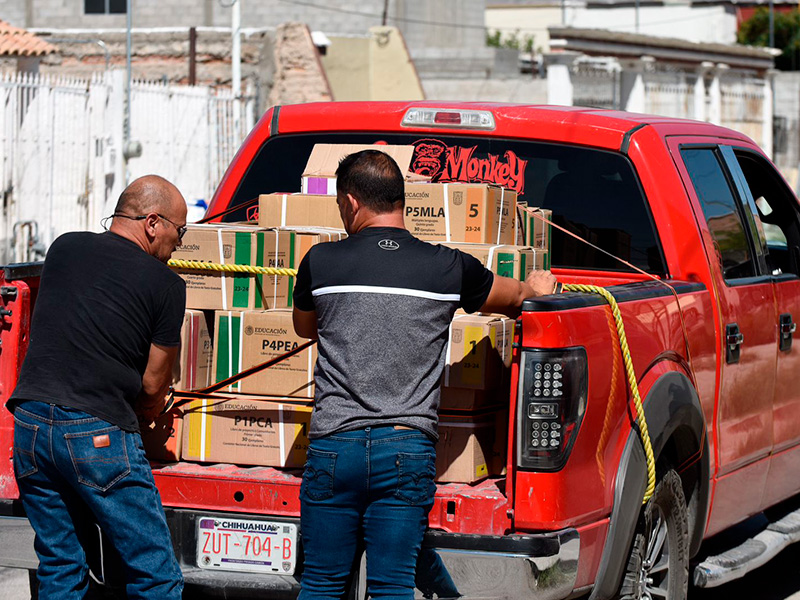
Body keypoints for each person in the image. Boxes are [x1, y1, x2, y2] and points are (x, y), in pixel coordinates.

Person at [292, 150, 557, 599]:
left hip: (335, 447)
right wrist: (538, 289)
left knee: (321, 582)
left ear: (352, 203)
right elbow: (513, 298)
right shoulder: (448, 266)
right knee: (392, 585)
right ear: (401, 200)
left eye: (340, 206)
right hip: (406, 449)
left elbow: (304, 327)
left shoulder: (321, 262)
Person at [7, 175, 188, 599]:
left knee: (61, 566)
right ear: (152, 222)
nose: (180, 243)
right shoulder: (166, 285)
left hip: (31, 425)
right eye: (179, 231)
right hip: (97, 432)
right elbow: (152, 383)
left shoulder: (64, 246)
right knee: (156, 574)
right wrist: (151, 410)